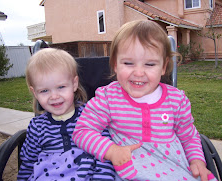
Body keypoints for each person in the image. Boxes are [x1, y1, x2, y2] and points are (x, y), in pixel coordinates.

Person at [72, 20, 217, 181]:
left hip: (174, 167)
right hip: (129, 166)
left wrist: (197, 160)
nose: (139, 72)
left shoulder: (176, 100)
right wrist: (111, 150)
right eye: (128, 63)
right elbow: (82, 131)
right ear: (115, 65)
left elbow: (189, 137)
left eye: (149, 64)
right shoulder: (108, 98)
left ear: (163, 67)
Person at [17, 48, 120, 180]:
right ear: (35, 93)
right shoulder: (37, 126)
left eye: (61, 87)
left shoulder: (91, 115)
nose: (54, 96)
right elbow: (28, 164)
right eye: (44, 91)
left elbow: (106, 153)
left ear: (74, 84)